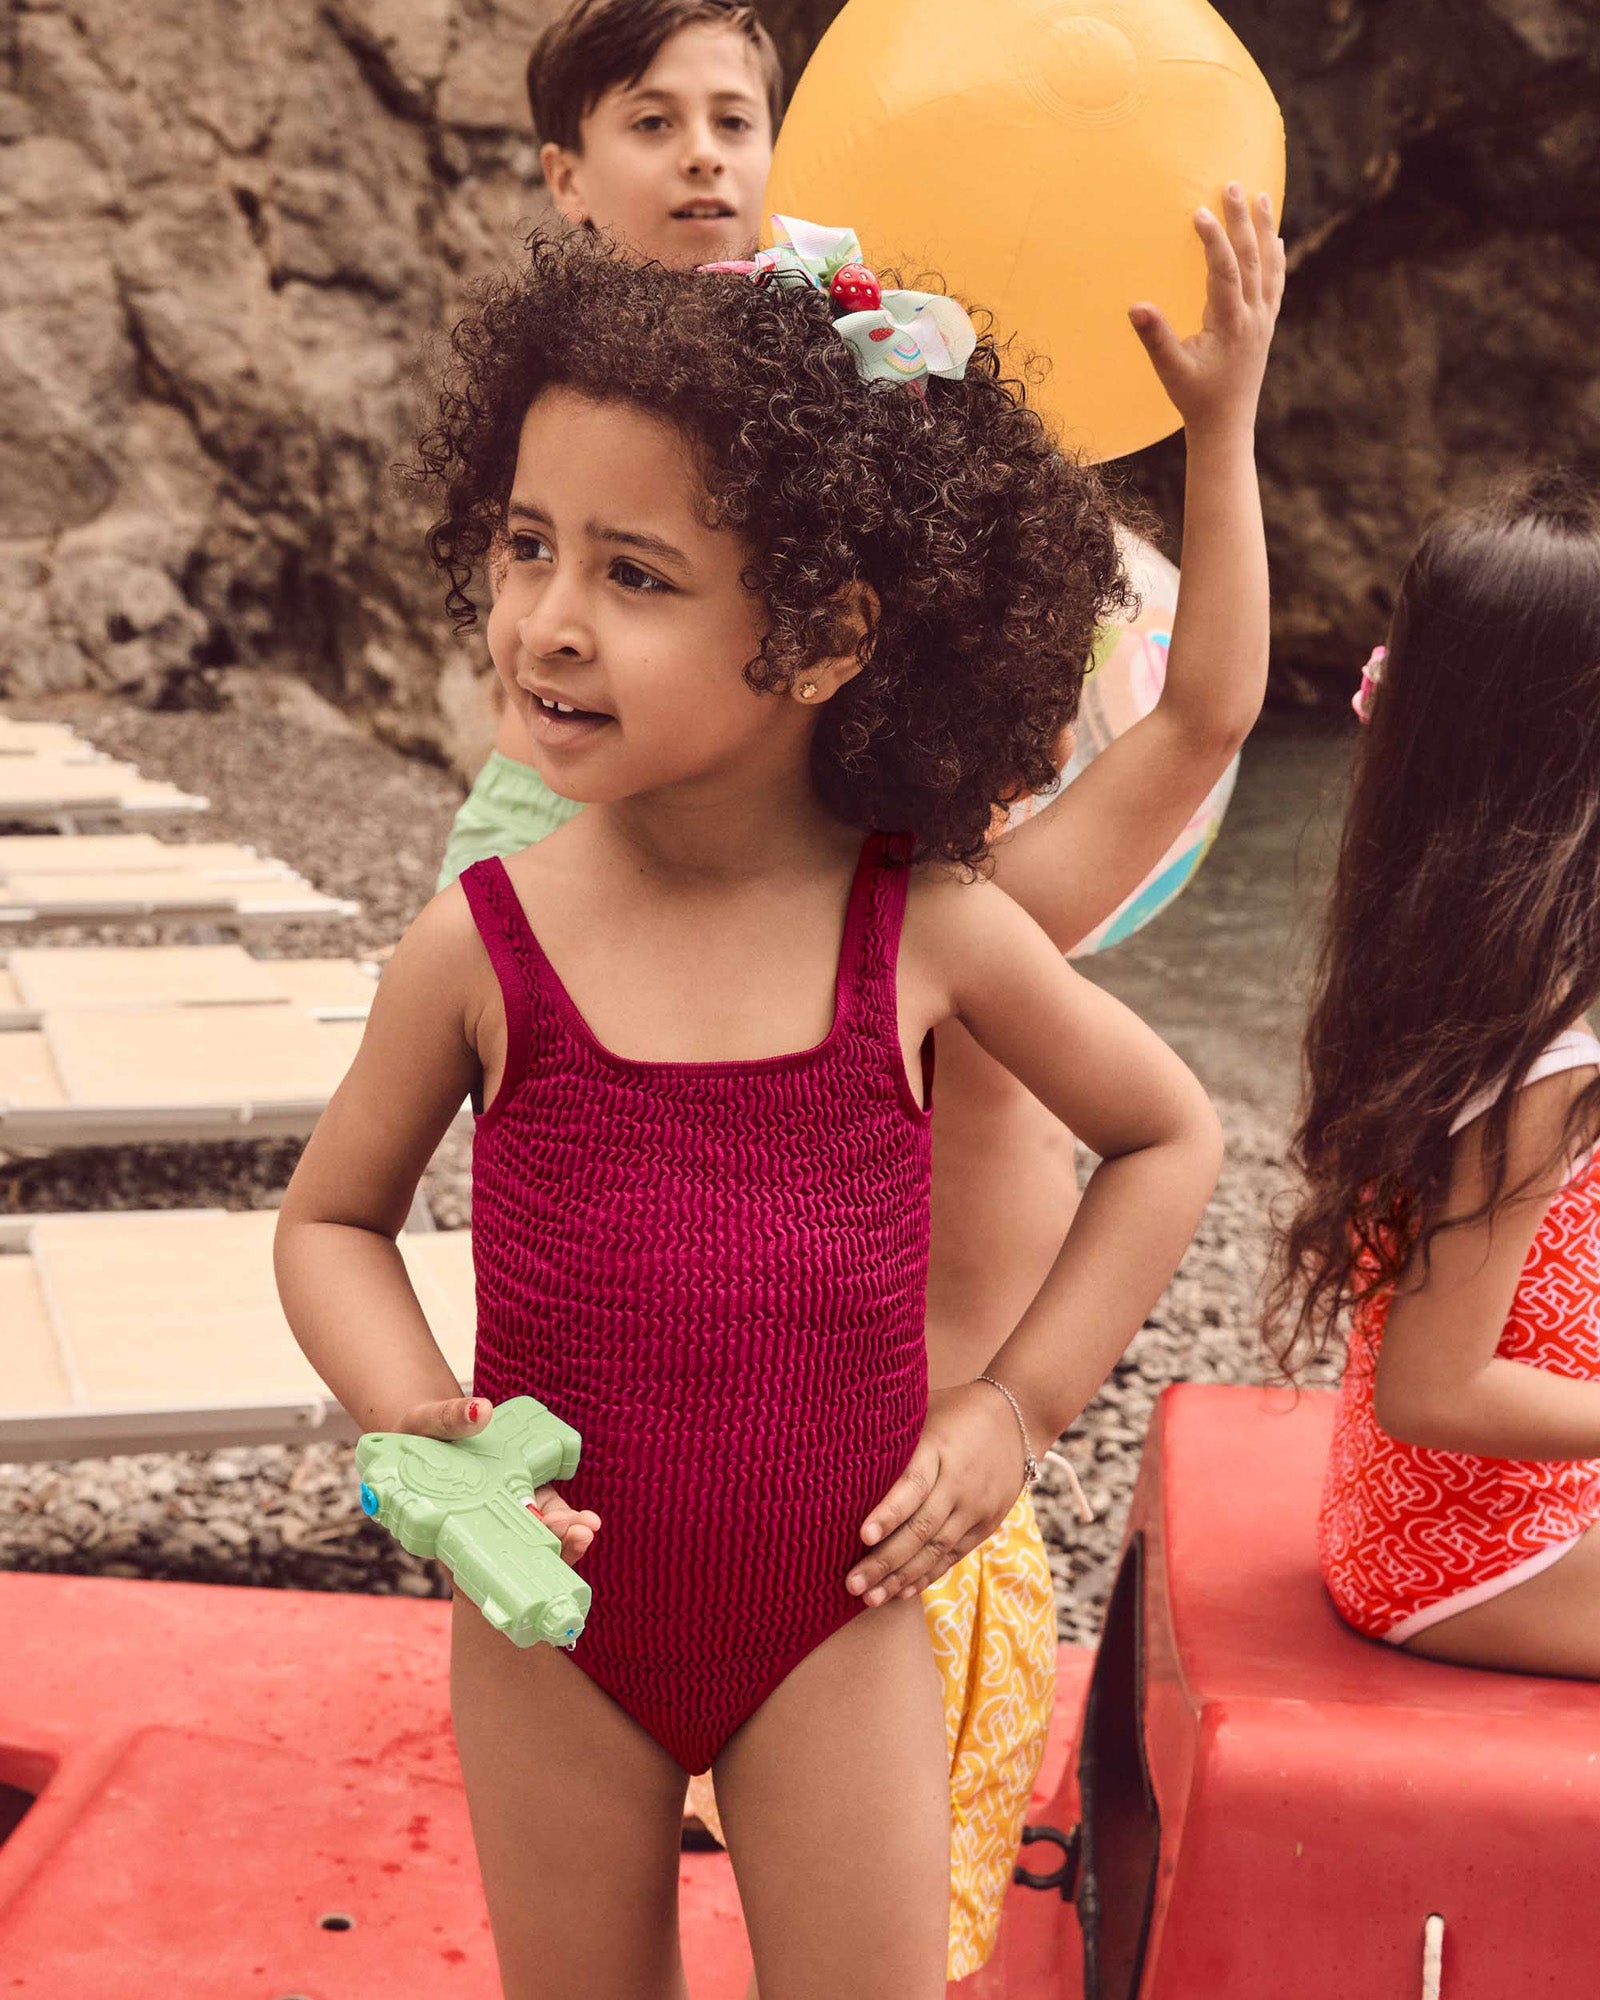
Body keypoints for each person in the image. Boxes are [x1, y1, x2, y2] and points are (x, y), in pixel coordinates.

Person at [276, 227, 1223, 1999]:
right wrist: (423, 1424)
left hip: (832, 1625)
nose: (548, 619)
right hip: (552, 1634)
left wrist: (1016, 1409)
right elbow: (331, 1222)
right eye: (528, 544)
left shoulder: (925, 930)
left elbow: (1169, 1137)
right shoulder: (478, 948)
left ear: (826, 634)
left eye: (634, 573)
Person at [1268, 475, 1600, 1681]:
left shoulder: (1452, 970)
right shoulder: (1540, 1061)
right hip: (1481, 1557)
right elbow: (1432, 1387)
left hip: (1437, 1520)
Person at [439, 0, 781, 893]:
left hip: (744, 856)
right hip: (547, 816)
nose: (702, 153)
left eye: (734, 122)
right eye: (653, 122)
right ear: (567, 178)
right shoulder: (545, 385)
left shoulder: (816, 394)